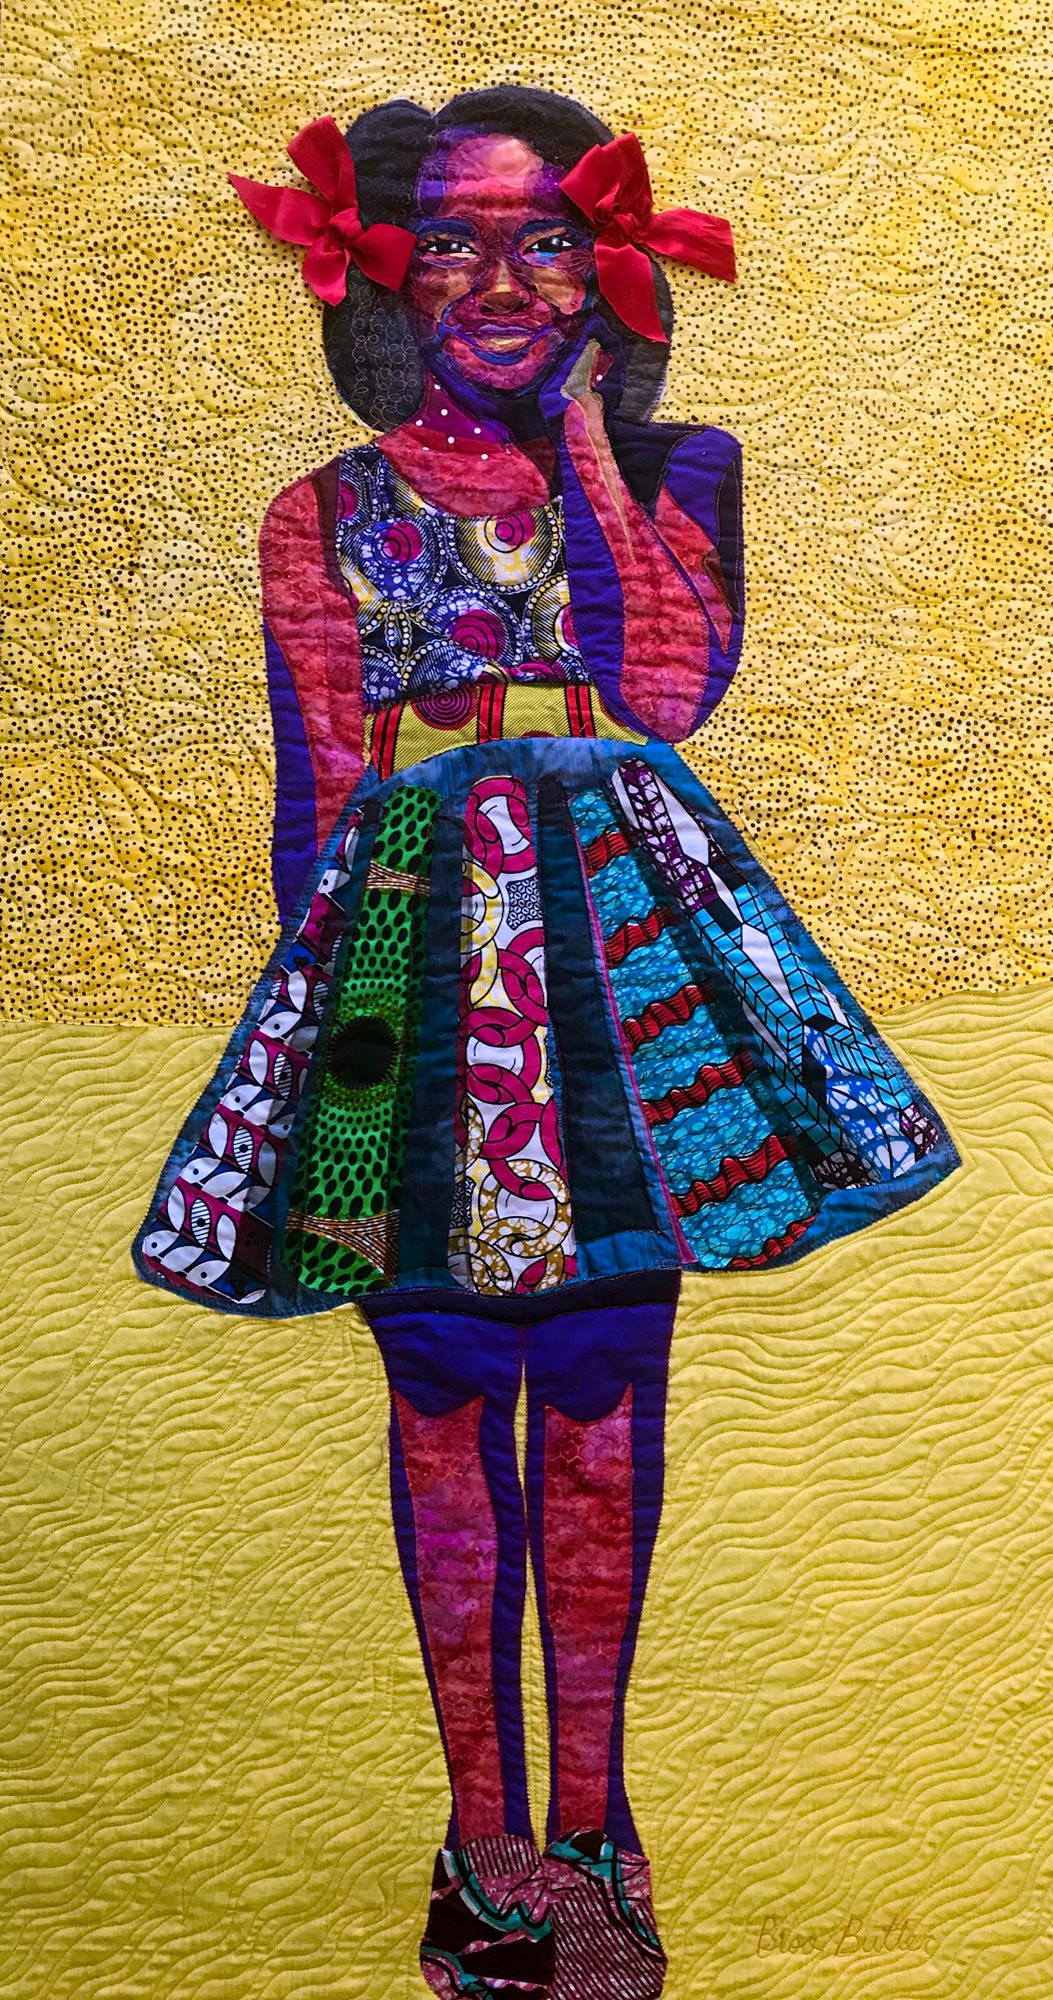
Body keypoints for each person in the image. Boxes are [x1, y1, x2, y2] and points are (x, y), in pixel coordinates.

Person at [133, 85, 958, 2000]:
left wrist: (587, 439)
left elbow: (665, 688)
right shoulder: (318, 515)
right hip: (396, 980)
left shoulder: (682, 470)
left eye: (547, 244)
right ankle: (478, 1841)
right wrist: (325, 1089)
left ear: (611, 272)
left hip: (620, 974)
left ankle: (594, 1829)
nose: (500, 284)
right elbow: (315, 801)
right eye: (451, 244)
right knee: (436, 1395)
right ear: (381, 278)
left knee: (595, 1386)